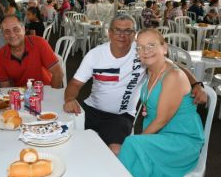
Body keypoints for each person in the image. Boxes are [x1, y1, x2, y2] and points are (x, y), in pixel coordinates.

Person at [63, 15, 206, 154]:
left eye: (128, 31)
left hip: (120, 116)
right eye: (117, 30)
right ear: (109, 33)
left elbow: (176, 68)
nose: (122, 35)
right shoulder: (95, 55)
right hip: (91, 109)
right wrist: (70, 99)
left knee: (115, 152)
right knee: (67, 139)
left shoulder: (143, 53)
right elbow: (75, 84)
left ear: (134, 34)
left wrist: (196, 84)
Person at [118, 29, 204, 177]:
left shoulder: (172, 76)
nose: (145, 51)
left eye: (151, 45)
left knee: (131, 145)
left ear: (164, 48)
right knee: (131, 154)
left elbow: (161, 121)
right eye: (140, 47)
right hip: (161, 136)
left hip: (182, 141)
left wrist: (138, 143)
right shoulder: (151, 70)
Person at [0, 15, 63, 88]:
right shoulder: (0, 55)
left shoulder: (39, 43)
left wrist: (52, 96)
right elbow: (5, 86)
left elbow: (58, 73)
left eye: (16, 29)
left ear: (23, 29)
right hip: (21, 96)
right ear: (3, 35)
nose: (12, 35)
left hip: (45, 91)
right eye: (7, 31)